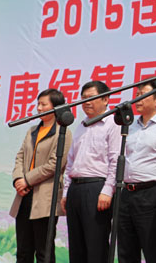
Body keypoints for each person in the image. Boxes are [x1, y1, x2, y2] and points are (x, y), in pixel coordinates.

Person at [61, 80, 121, 263]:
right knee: (76, 246)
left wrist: (107, 190)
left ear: (105, 99)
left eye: (91, 98)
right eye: (83, 98)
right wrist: (66, 192)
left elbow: (116, 160)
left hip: (96, 188)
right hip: (75, 189)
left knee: (96, 245)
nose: (86, 102)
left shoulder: (113, 124)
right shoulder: (81, 125)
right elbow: (71, 162)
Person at [118, 79, 156, 263]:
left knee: (152, 250)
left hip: (151, 194)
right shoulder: (129, 127)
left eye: (143, 95)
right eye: (137, 95)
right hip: (126, 193)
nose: (137, 99)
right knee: (126, 251)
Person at [10, 88, 73, 263]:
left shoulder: (63, 132)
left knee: (44, 251)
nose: (39, 108)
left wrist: (27, 180)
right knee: (23, 250)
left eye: (43, 104)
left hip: (45, 198)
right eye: (38, 104)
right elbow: (20, 156)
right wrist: (18, 179)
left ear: (56, 107)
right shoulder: (32, 131)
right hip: (24, 195)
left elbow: (55, 164)